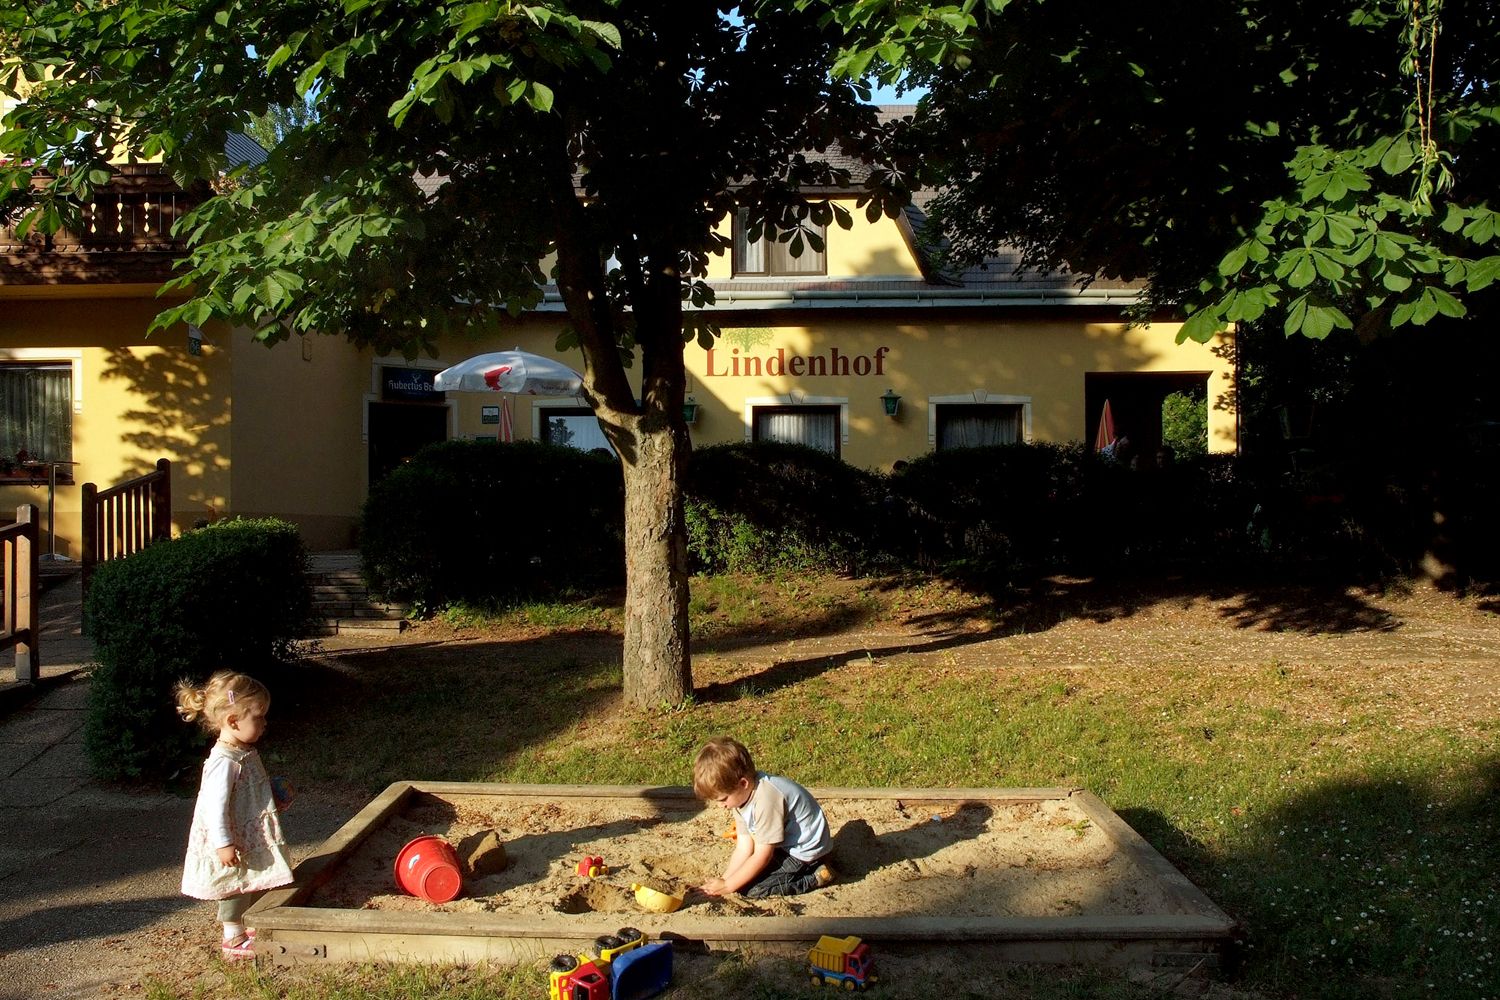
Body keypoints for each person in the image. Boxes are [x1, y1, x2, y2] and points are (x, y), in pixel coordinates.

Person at [174, 671, 294, 960]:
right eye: (259, 717)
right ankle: (232, 936)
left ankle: (249, 926)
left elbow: (246, 792)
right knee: (234, 885)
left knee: (251, 877)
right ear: (232, 721)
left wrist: (270, 795)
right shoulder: (223, 762)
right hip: (231, 838)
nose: (265, 723)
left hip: (244, 833)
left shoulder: (242, 752)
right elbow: (214, 808)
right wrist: (223, 843)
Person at [692, 736, 835, 898]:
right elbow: (744, 848)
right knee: (740, 881)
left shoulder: (767, 799)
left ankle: (816, 877)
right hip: (783, 845)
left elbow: (763, 856)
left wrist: (729, 886)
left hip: (806, 853)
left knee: (753, 890)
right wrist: (724, 880)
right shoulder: (740, 798)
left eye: (723, 799)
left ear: (743, 783)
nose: (721, 806)